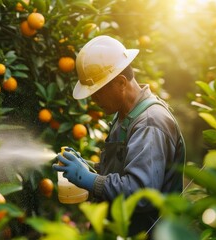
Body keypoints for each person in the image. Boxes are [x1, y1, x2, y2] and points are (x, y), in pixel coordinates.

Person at [52, 35, 186, 237]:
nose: (93, 99)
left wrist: (89, 179)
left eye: (97, 92)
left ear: (121, 82)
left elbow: (141, 193)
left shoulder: (150, 122)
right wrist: (86, 167)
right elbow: (124, 168)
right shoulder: (124, 116)